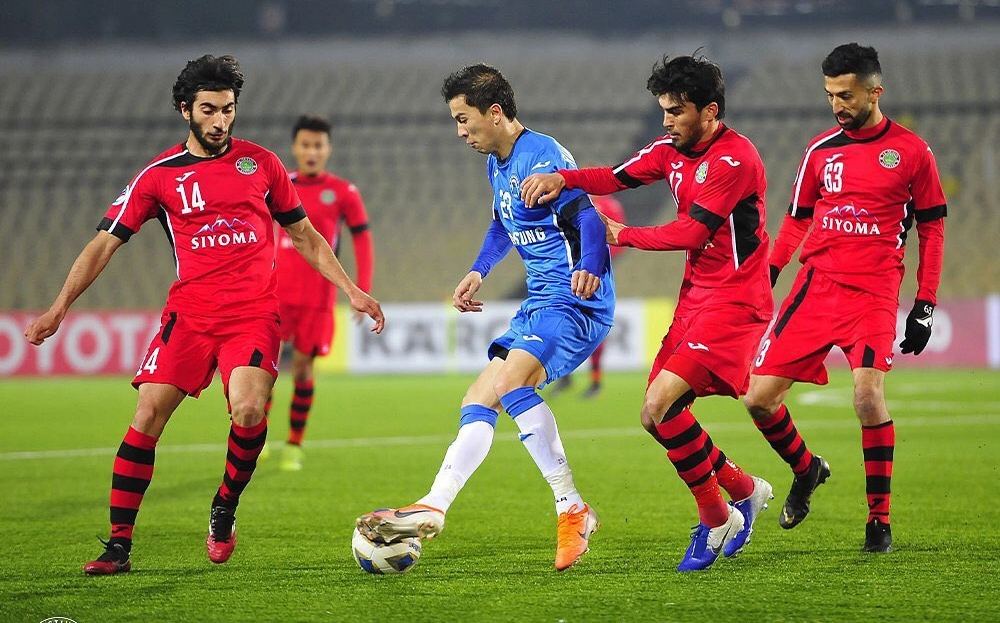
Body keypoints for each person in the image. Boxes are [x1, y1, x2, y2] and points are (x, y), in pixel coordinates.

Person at [23, 54, 385, 575]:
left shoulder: (261, 165)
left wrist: (350, 288)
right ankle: (118, 546)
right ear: (185, 111)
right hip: (189, 316)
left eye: (229, 110)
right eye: (210, 110)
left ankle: (224, 507)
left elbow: (304, 235)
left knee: (249, 411)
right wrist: (60, 306)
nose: (220, 121)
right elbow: (104, 244)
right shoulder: (158, 176)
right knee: (147, 416)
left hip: (254, 314)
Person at [356, 63, 615, 571]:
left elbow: (586, 215)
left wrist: (589, 266)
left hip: (572, 297)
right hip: (539, 300)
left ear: (494, 113)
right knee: (478, 398)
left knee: (513, 383)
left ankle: (572, 507)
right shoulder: (497, 161)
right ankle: (435, 502)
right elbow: (503, 222)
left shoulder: (540, 154)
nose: (460, 132)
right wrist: (478, 271)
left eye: (464, 119)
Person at [521, 53, 774, 571]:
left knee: (660, 405)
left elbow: (692, 231)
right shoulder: (670, 149)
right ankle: (746, 490)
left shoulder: (734, 160)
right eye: (662, 109)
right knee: (655, 417)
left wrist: (623, 235)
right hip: (696, 296)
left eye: (676, 111)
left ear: (710, 111)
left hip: (736, 298)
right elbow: (614, 177)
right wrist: (564, 179)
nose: (666, 120)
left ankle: (715, 517)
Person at [741, 43, 947, 553]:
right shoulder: (819, 152)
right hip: (815, 289)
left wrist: (924, 303)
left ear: (876, 92)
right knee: (758, 399)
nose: (838, 104)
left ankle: (879, 520)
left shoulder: (913, 152)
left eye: (847, 95)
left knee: (867, 396)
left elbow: (933, 230)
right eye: (832, 95)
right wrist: (767, 272)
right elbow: (795, 222)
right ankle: (807, 469)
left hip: (874, 294)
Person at [264, 114, 375, 472]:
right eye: (305, 145)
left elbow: (362, 239)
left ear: (328, 149)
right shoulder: (278, 186)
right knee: (262, 368)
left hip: (317, 298)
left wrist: (362, 288)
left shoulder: (344, 192)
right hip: (274, 293)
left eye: (318, 145)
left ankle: (294, 444)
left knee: (302, 369)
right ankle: (258, 437)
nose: (311, 152)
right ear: (295, 148)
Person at [550, 194, 626, 398]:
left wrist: (597, 259)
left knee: (590, 326)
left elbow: (617, 237)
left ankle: (595, 381)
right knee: (562, 324)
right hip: (570, 270)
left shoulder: (609, 205)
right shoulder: (573, 201)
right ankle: (564, 376)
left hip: (594, 273)